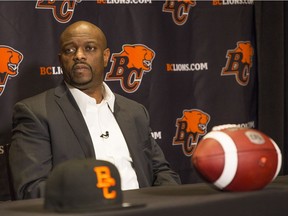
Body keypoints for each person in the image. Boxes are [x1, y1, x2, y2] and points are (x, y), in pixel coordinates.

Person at [9, 20, 181, 199]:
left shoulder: (135, 111)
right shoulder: (35, 113)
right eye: (70, 50)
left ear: (106, 56)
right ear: (61, 59)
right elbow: (31, 188)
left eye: (90, 48)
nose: (79, 55)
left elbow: (161, 171)